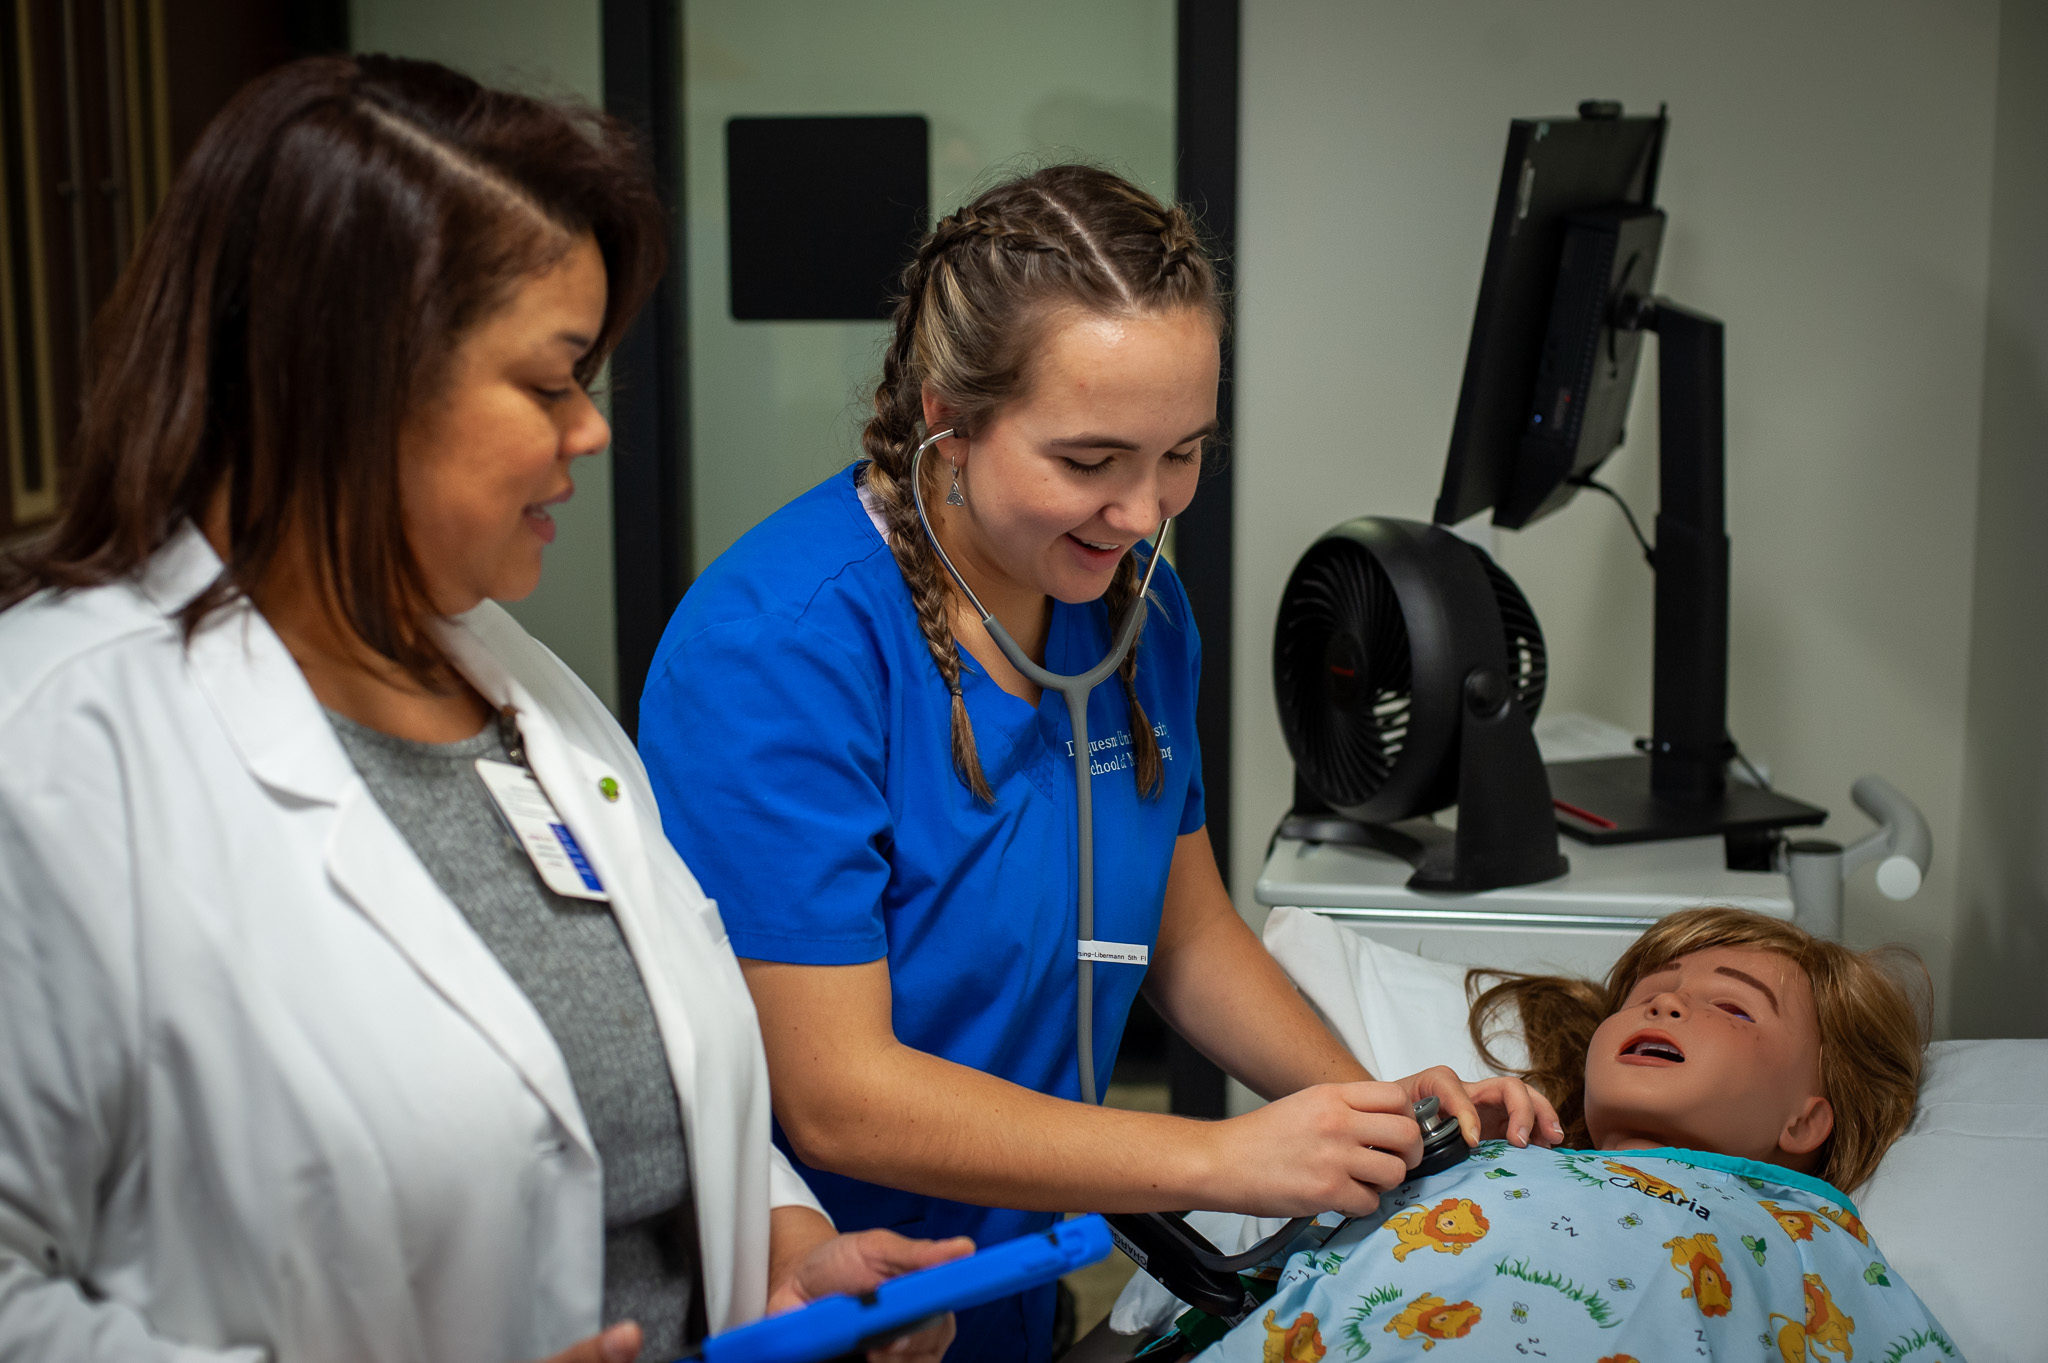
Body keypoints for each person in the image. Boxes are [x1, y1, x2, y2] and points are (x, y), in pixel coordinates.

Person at [0, 55, 961, 1363]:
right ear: (349, 376)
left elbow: (647, 1096)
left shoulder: (520, 685)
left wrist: (779, 1244)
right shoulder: (57, 742)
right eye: (553, 378)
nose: (592, 430)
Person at [635, 165, 1561, 1363]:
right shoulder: (779, 650)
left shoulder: (1132, 612)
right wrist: (1224, 1154)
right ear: (944, 420)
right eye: (1087, 461)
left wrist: (1369, 1115)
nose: (1140, 512)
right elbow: (837, 1092)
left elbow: (1183, 937)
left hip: (1018, 1275)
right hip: (823, 1297)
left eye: (1180, 453)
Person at [1142, 907, 1954, 1361]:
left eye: (1733, 1006)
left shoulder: (1808, 1237)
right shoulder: (1473, 1159)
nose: (1665, 1005)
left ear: (1806, 1118)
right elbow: (1257, 1294)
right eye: (1646, 994)